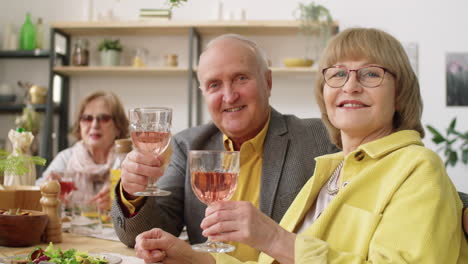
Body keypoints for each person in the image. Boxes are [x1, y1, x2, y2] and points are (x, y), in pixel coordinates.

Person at [134, 28, 468, 263]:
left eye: (370, 74)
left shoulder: (417, 168)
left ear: (400, 93)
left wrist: (274, 237)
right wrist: (194, 259)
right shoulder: (330, 168)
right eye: (337, 75)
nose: (350, 85)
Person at [111, 34, 338, 261]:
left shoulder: (320, 139)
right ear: (204, 93)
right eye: (214, 84)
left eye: (240, 78)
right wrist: (132, 193)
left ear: (267, 82)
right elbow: (145, 235)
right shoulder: (187, 145)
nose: (229, 96)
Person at [40, 91, 129, 211]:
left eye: (104, 118)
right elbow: (37, 193)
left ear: (118, 127)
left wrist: (119, 203)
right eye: (87, 118)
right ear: (80, 124)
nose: (94, 125)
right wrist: (47, 187)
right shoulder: (66, 158)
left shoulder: (128, 161)